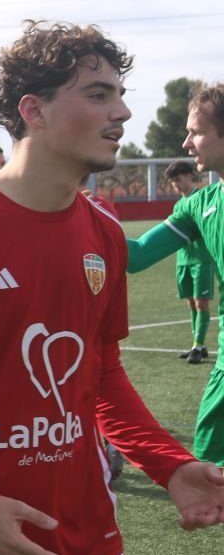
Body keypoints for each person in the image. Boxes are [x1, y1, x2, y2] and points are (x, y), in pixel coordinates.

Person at [0, 21, 224, 555]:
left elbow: (101, 373)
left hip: (85, 523)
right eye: (98, 95)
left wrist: (168, 464)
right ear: (33, 110)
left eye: (120, 96)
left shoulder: (104, 233)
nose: (123, 113)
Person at [127, 83, 224, 465]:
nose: (186, 143)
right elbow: (136, 256)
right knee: (211, 480)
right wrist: (78, 214)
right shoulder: (199, 204)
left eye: (196, 132)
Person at [166, 160, 215, 364]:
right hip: (183, 260)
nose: (175, 185)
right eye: (172, 182)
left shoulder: (201, 199)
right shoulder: (178, 204)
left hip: (201, 259)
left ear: (189, 175)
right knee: (190, 303)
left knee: (200, 302)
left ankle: (197, 344)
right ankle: (199, 346)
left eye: (178, 180)